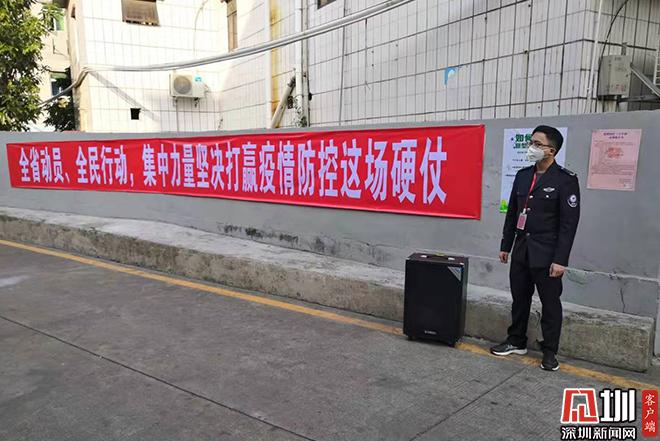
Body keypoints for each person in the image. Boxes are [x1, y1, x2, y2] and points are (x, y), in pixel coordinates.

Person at [490, 125, 580, 371]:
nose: (531, 147)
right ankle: (516, 340)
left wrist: (561, 259)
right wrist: (506, 245)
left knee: (550, 304)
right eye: (531, 143)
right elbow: (513, 213)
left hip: (548, 254)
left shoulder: (565, 180)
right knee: (519, 298)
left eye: (537, 144)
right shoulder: (522, 176)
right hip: (522, 249)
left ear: (551, 150)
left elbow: (568, 224)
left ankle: (550, 351)